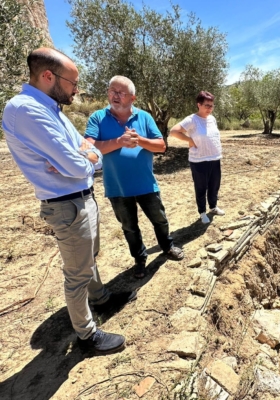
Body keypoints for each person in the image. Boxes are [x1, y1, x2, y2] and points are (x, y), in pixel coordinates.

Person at [2, 48, 135, 355]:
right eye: (73, 82)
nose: (77, 89)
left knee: (89, 257)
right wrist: (81, 159)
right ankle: (87, 336)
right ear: (48, 76)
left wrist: (84, 156)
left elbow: (89, 153)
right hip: (67, 204)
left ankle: (100, 298)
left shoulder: (50, 109)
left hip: (81, 199)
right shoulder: (26, 111)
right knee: (76, 274)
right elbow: (77, 165)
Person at [84, 76, 184, 279]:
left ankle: (167, 246)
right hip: (117, 187)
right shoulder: (97, 118)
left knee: (160, 219)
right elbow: (88, 148)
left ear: (133, 98)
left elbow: (161, 146)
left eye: (121, 93)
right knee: (129, 227)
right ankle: (139, 259)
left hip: (146, 183)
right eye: (112, 91)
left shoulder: (144, 117)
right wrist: (119, 141)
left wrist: (139, 140)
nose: (115, 96)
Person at [169, 91, 225, 224]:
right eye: (207, 105)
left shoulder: (212, 119)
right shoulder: (192, 119)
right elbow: (173, 131)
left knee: (214, 185)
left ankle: (213, 207)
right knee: (201, 188)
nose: (209, 108)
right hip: (199, 160)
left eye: (212, 106)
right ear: (198, 105)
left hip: (214, 158)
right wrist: (190, 140)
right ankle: (202, 212)